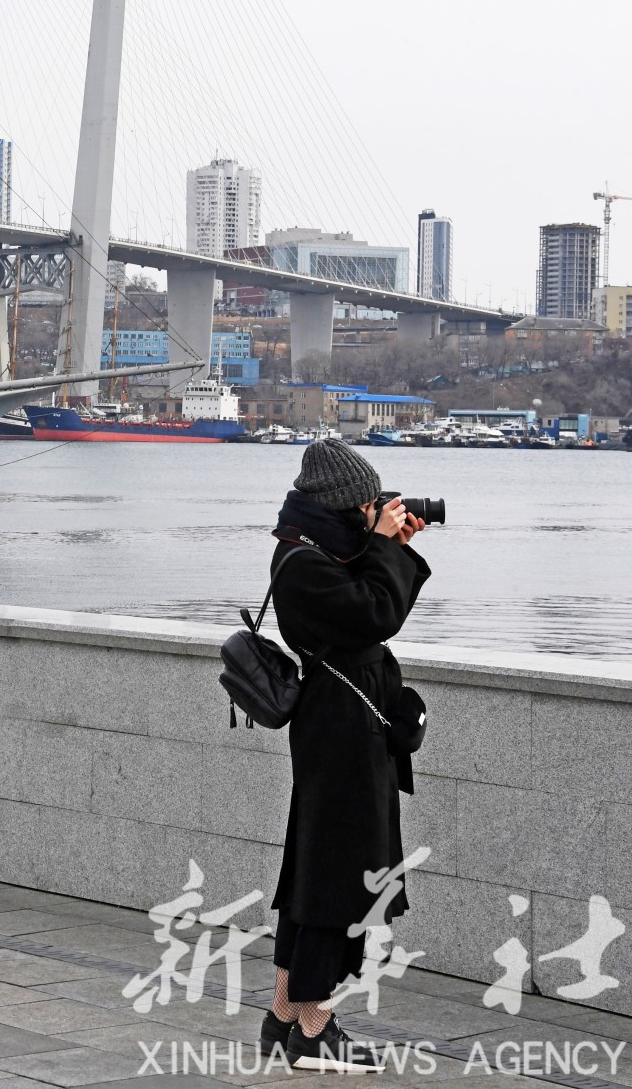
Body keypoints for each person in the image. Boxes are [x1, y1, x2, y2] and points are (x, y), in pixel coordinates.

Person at [259, 438, 430, 1072]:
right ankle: (314, 1031)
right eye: (366, 503)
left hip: (344, 726)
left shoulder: (317, 548)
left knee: (319, 870)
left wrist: (393, 544)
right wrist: (384, 547)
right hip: (341, 732)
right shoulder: (302, 562)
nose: (372, 511)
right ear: (340, 503)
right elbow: (376, 613)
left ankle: (282, 1019)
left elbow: (372, 610)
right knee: (344, 879)